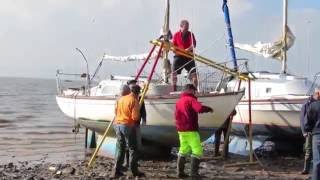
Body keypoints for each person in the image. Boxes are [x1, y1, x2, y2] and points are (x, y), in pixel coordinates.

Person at [175, 84, 213, 178]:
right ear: (191, 90)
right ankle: (194, 174)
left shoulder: (179, 101)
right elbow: (199, 108)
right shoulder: (191, 99)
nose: (195, 93)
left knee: (183, 149)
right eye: (194, 91)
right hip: (191, 129)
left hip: (181, 129)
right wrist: (208, 109)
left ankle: (180, 172)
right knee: (197, 151)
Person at [111, 85, 145, 178]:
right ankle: (134, 171)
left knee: (121, 148)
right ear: (138, 93)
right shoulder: (134, 100)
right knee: (133, 148)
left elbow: (115, 111)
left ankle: (116, 170)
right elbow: (135, 117)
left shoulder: (121, 99)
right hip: (127, 125)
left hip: (117, 124)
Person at [172, 20, 197, 91]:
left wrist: (187, 49)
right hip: (179, 56)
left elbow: (193, 45)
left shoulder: (190, 34)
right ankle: (174, 88)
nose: (187, 30)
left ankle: (195, 89)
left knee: (194, 74)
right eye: (185, 28)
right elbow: (173, 46)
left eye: (187, 28)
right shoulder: (176, 35)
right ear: (181, 27)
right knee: (174, 72)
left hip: (189, 56)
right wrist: (177, 50)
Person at [300, 90, 319, 174]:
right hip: (310, 131)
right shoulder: (307, 103)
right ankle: (306, 169)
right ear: (316, 94)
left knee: (315, 154)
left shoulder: (315, 103)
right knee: (308, 150)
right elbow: (302, 118)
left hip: (314, 131)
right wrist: (304, 131)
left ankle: (312, 171)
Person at [304, 88, 320, 180]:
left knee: (317, 161)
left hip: (317, 135)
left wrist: (308, 130)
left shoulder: (313, 106)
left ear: (318, 94)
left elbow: (307, 123)